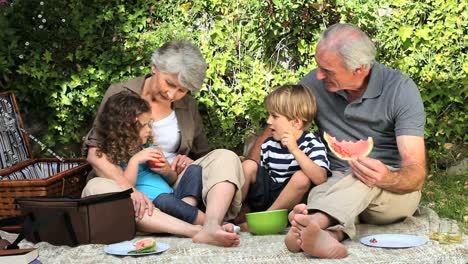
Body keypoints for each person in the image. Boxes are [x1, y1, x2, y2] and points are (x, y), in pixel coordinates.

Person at [249, 23, 426, 258]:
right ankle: (327, 236)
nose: (319, 75)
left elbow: (415, 174)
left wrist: (386, 177)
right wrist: (252, 163)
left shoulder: (400, 91)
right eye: (318, 67)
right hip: (334, 188)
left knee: (362, 180)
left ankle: (311, 221)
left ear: (359, 69)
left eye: (328, 70)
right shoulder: (315, 84)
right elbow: (283, 119)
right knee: (330, 189)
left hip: (390, 195)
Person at [82, 41, 244, 247]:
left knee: (225, 157)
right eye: (169, 83)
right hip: (125, 182)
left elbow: (204, 154)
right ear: (154, 68)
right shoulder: (120, 94)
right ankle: (193, 229)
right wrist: (129, 191)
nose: (172, 95)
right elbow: (94, 151)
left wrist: (184, 163)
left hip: (173, 182)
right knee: (97, 188)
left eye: (182, 90)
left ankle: (211, 224)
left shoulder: (188, 105)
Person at [95, 91, 206, 225]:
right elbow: (126, 186)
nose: (149, 130)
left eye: (149, 124)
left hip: (173, 196)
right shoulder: (115, 153)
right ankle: (210, 222)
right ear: (127, 128)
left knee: (194, 170)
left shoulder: (148, 147)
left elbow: (172, 179)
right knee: (165, 200)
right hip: (156, 202)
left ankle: (185, 211)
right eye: (144, 125)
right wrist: (135, 160)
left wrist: (165, 169)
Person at [241, 84, 330, 215]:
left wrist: (295, 150)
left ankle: (268, 216)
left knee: (302, 177)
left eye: (274, 116)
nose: (268, 121)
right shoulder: (269, 144)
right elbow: (263, 177)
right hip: (269, 194)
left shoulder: (311, 142)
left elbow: (320, 178)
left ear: (296, 122)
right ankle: (235, 211)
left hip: (292, 202)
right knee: (248, 165)